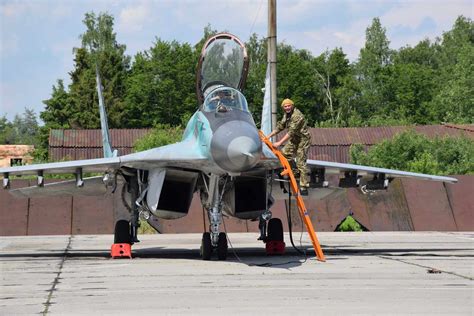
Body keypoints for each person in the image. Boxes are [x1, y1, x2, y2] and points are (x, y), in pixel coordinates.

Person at [267, 98, 312, 195]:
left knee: (301, 161)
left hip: (303, 140)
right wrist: (268, 136)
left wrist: (279, 142)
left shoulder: (297, 116)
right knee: (283, 154)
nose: (287, 108)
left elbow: (291, 132)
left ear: (292, 106)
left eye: (289, 106)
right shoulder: (287, 115)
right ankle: (295, 172)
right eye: (285, 106)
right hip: (294, 139)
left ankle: (304, 186)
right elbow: (280, 126)